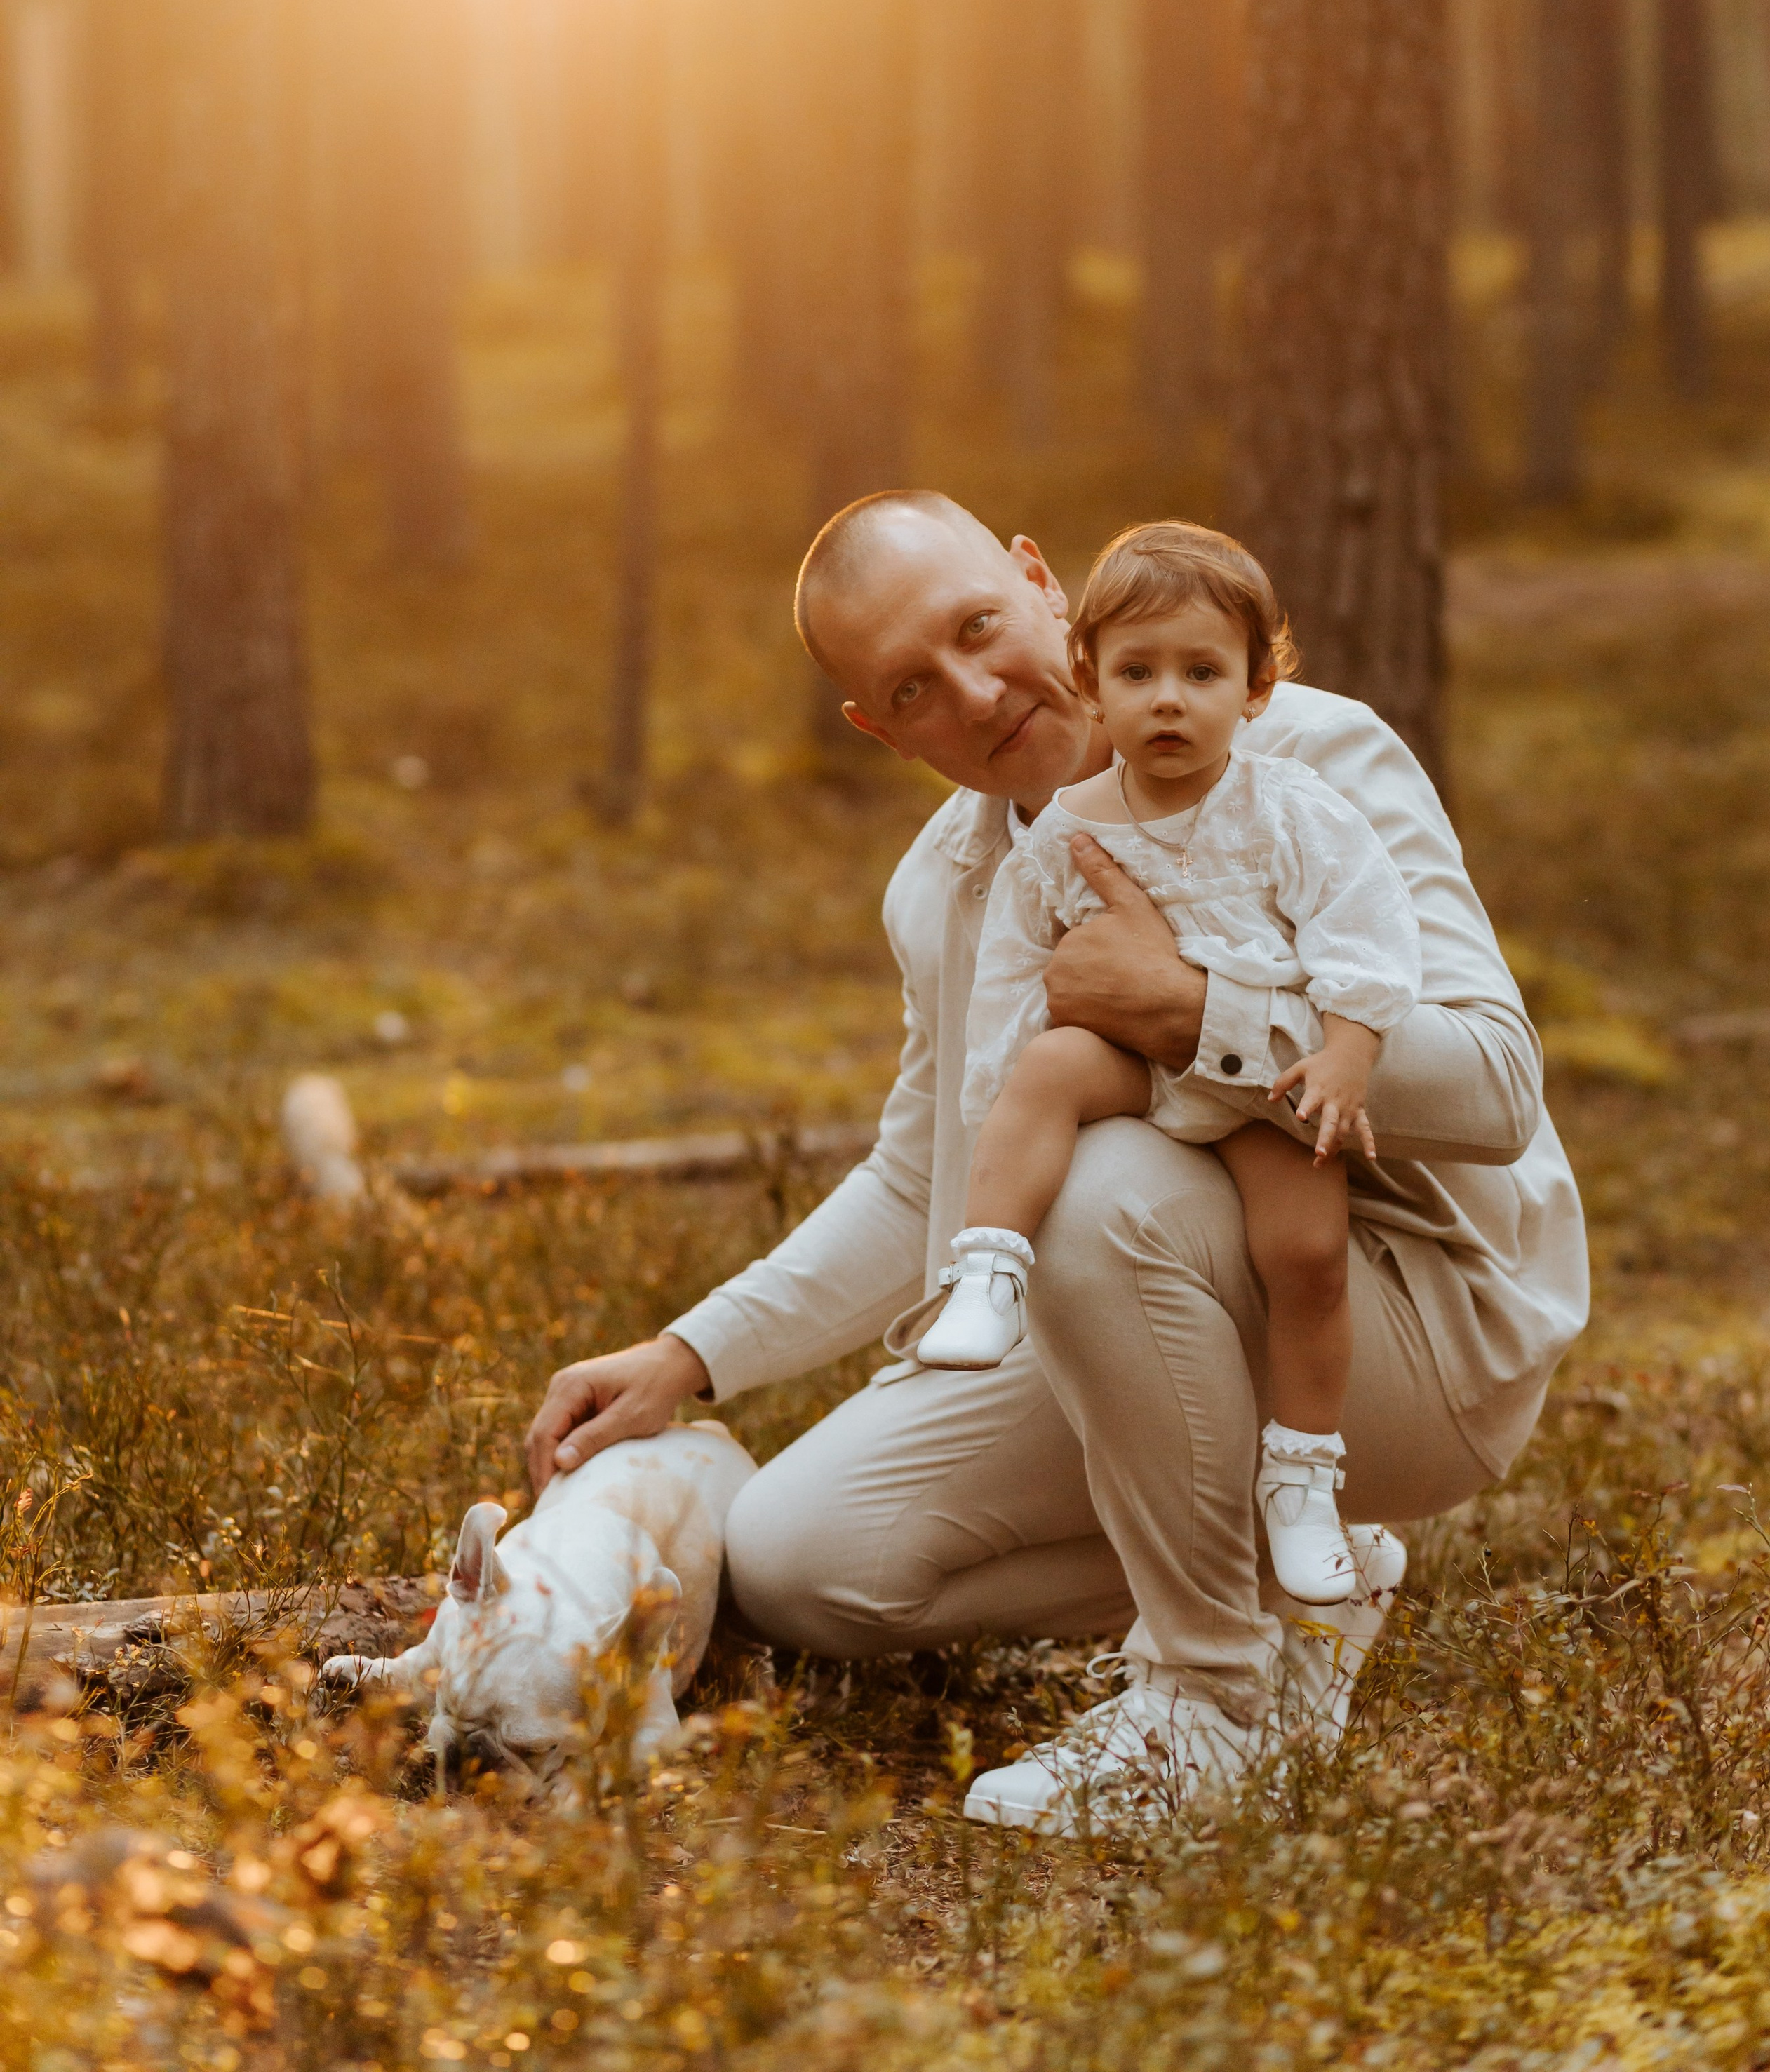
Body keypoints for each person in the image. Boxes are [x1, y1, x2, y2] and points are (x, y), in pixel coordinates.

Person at [525, 492, 1588, 1836]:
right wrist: (689, 1353)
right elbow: (924, 1178)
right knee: (803, 1563)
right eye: (914, 687)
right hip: (1156, 1300)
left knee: (1093, 1197)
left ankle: (1213, 1704)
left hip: (1416, 1324)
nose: (975, 692)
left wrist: (1192, 1009)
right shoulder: (947, 888)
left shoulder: (1312, 757)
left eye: (980, 627)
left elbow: (1495, 1086)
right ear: (876, 726)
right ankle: (1306, 1578)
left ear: (1041, 582)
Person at [916, 522, 1421, 1615]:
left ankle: (1302, 1480)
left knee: (1308, 1254)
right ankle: (987, 1270)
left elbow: (1367, 933)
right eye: (1139, 674)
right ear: (1091, 683)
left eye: (1203, 673)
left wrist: (1344, 1051)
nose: (1170, 701)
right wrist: (1001, 1082)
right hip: (1128, 1070)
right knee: (1048, 1068)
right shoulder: (1066, 829)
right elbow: (1014, 969)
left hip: (1253, 1085)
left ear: (1256, 687)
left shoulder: (1290, 806)